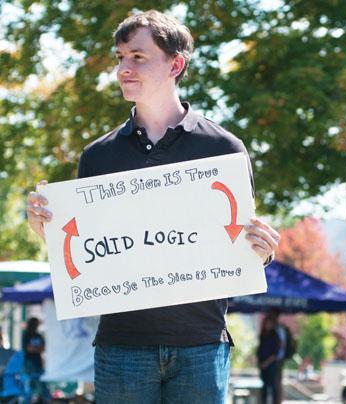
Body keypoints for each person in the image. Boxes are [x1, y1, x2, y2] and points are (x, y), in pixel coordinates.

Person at [25, 10, 280, 403]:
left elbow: (241, 248)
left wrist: (261, 252)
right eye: (120, 57)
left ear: (175, 64)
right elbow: (87, 252)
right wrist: (49, 230)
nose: (123, 68)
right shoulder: (96, 157)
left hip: (201, 346)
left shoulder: (223, 150)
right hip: (122, 347)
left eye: (138, 57)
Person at [257, 315, 282, 404]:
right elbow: (260, 350)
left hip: (272, 365)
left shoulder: (275, 336)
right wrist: (260, 363)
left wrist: (267, 363)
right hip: (263, 366)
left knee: (273, 387)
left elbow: (276, 353)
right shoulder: (263, 335)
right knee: (264, 387)